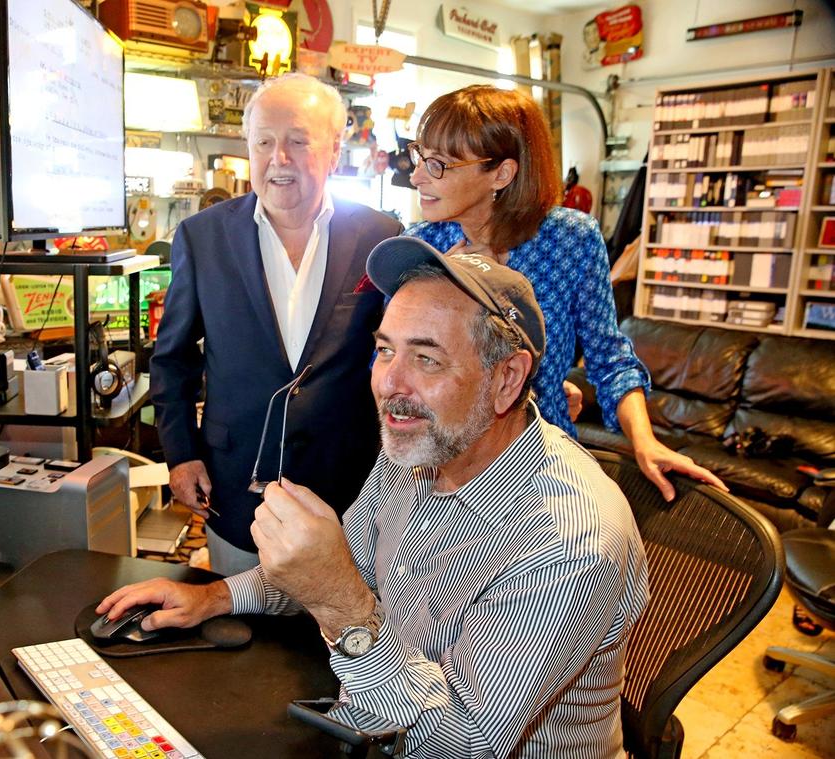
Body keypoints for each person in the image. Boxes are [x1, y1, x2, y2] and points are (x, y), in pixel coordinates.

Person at [98, 237, 649, 758]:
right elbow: (344, 566)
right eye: (386, 351)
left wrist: (342, 608)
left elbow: (462, 738)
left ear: (506, 380)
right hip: (371, 722)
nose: (390, 383)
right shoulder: (419, 448)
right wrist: (215, 597)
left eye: (427, 359)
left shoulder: (570, 540)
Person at [404, 84, 724, 501]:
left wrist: (645, 441)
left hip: (540, 469)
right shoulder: (419, 246)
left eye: (439, 164)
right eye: (419, 156)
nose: (416, 176)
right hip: (441, 467)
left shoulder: (569, 240)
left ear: (501, 173)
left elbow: (608, 357)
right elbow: (396, 367)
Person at [150, 73, 402, 575]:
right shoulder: (203, 238)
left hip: (348, 493)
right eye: (263, 141)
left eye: (298, 141)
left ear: (333, 151)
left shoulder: (380, 235)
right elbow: (172, 358)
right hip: (235, 485)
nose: (278, 158)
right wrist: (180, 455)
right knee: (236, 631)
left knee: (337, 639)